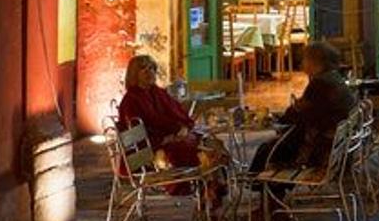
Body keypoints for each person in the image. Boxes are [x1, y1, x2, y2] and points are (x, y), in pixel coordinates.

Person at [116, 54, 226, 198]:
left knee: (215, 144)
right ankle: (210, 196)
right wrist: (171, 136)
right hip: (149, 150)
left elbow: (178, 113)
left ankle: (212, 194)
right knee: (203, 154)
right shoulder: (131, 100)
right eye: (144, 69)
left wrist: (184, 127)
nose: (150, 72)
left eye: (152, 68)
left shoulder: (159, 93)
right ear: (134, 74)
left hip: (172, 139)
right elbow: (141, 130)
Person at [249, 39, 359, 178]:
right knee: (274, 146)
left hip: (319, 150)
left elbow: (298, 115)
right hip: (338, 147)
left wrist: (281, 117)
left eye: (305, 59)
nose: (302, 63)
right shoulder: (335, 79)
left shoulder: (320, 84)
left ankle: (257, 184)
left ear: (315, 62)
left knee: (268, 150)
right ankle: (262, 187)